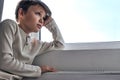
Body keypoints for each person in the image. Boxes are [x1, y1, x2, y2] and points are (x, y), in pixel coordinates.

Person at [0, 0, 64, 79]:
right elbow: (4, 61)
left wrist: (51, 24)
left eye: (44, 18)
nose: (41, 20)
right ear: (21, 13)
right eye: (38, 14)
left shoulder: (36, 44)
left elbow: (60, 45)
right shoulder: (9, 25)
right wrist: (39, 69)